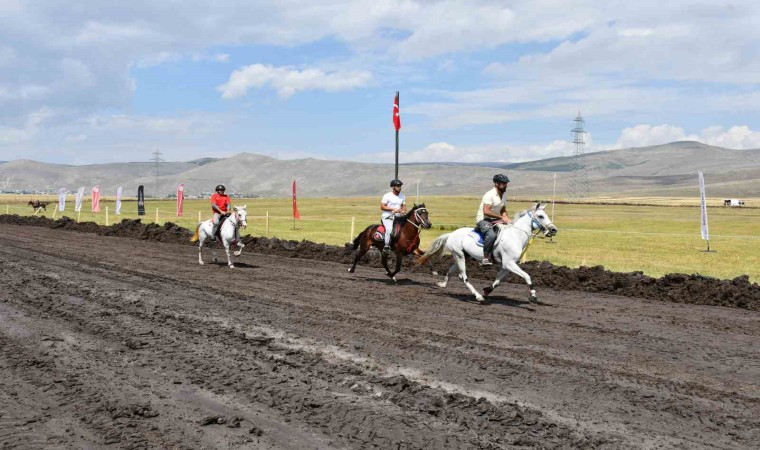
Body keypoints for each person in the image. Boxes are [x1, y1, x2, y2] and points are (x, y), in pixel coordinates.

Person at [475, 174, 512, 265]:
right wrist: (501, 217)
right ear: (496, 184)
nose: (506, 185)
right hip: (483, 219)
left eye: (506, 183)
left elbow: (502, 210)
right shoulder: (489, 194)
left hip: (495, 219)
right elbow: (486, 211)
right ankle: (485, 258)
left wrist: (507, 218)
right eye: (503, 183)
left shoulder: (503, 195)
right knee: (491, 235)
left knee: (509, 231)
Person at [380, 179, 407, 254]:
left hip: (398, 217)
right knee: (389, 229)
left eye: (400, 186)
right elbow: (382, 207)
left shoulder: (402, 196)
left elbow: (404, 206)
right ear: (393, 187)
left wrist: (403, 210)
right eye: (398, 186)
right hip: (387, 216)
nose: (399, 187)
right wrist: (392, 209)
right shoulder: (387, 195)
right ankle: (386, 246)